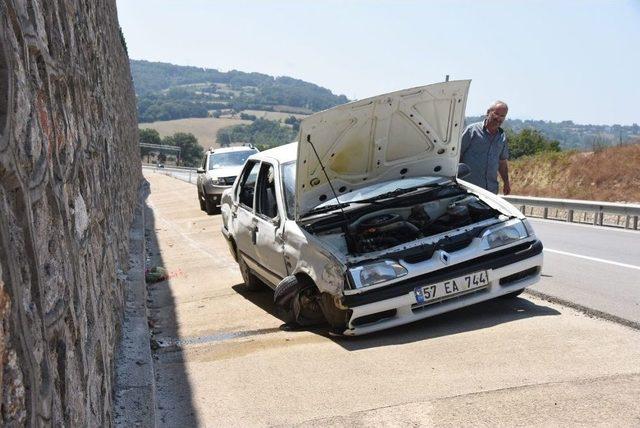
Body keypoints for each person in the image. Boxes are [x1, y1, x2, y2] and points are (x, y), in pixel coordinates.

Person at [459, 101, 511, 195]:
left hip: (491, 191)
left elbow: (502, 162)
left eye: (502, 116)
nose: (498, 118)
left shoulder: (502, 137)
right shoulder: (472, 131)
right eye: (496, 113)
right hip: (469, 189)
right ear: (488, 112)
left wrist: (506, 182)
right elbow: (457, 155)